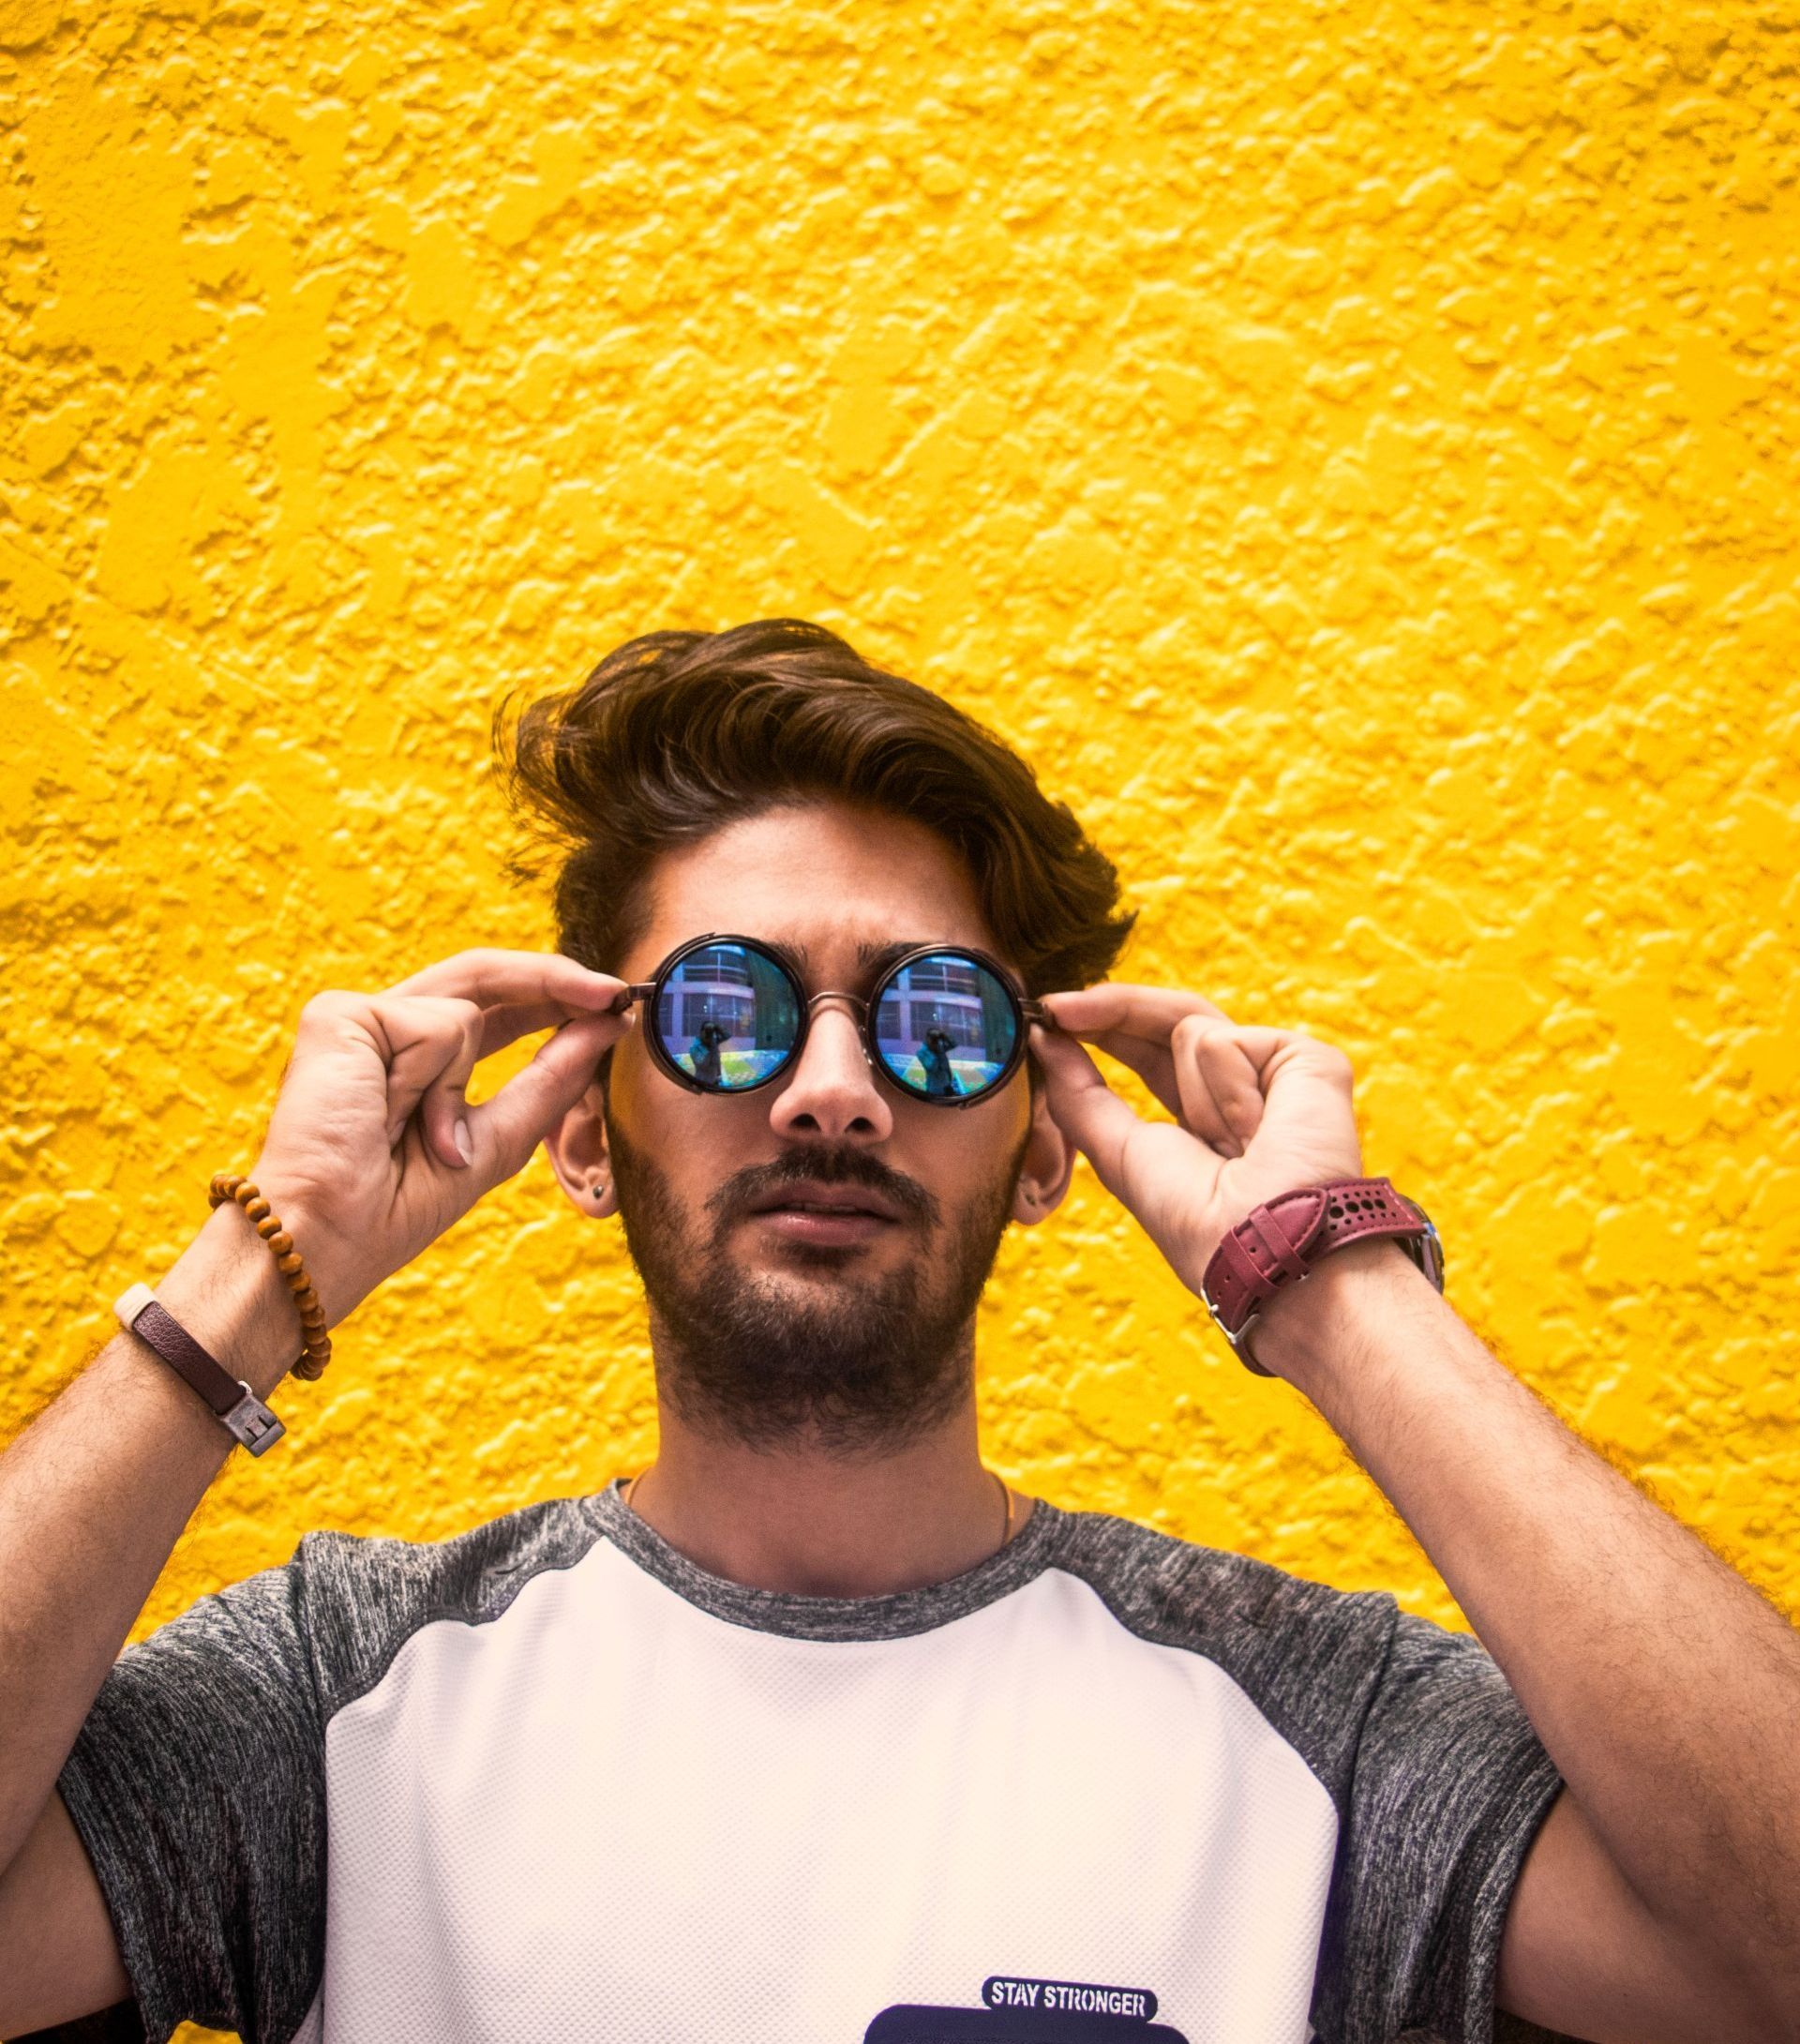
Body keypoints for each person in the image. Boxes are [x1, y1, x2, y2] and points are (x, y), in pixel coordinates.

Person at [0, 619, 1794, 2044]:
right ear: (576, 1128)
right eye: (729, 1006)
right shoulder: (346, 1694)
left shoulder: (1307, 1727)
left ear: (1039, 1146)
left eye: (936, 1021)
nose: (835, 1093)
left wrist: (1329, 1283)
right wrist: (270, 1259)